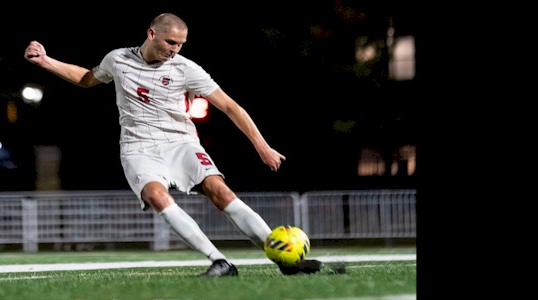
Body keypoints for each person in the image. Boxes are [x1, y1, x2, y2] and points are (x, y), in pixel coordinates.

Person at [24, 12, 331, 277]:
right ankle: (220, 262)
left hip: (180, 141)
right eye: (171, 42)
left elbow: (231, 107)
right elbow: (87, 79)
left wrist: (262, 146)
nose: (175, 50)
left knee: (220, 191)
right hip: (138, 147)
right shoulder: (117, 59)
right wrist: (46, 61)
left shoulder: (186, 68)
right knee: (157, 197)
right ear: (151, 33)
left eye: (181, 44)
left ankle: (282, 258)